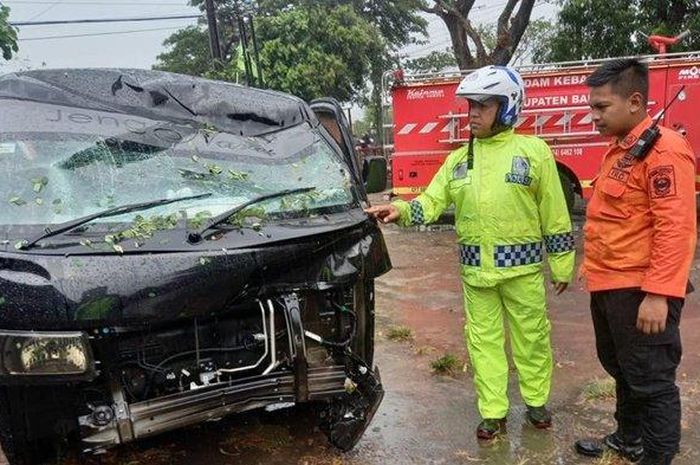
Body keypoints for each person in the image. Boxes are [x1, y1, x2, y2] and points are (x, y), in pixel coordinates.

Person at [365, 65, 575, 440]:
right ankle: (493, 412)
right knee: (483, 343)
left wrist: (561, 264)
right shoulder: (459, 160)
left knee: (532, 339)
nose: (472, 113)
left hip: (523, 274)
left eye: (483, 105)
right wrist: (401, 210)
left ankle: (536, 403)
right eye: (470, 106)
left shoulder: (534, 152)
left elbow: (555, 213)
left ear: (508, 107)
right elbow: (430, 202)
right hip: (476, 276)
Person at [574, 58, 697, 465]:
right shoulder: (622, 149)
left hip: (641, 290)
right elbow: (613, 221)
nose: (593, 116)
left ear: (635, 101)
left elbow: (675, 229)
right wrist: (589, 266)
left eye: (601, 107)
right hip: (610, 286)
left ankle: (657, 457)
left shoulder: (665, 152)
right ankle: (629, 439)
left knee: (652, 381)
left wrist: (660, 294)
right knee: (623, 369)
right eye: (592, 106)